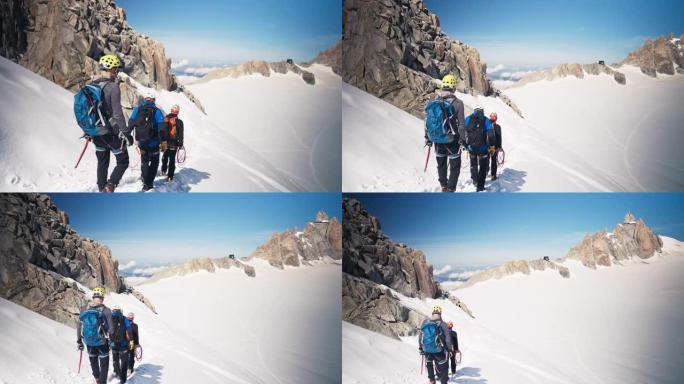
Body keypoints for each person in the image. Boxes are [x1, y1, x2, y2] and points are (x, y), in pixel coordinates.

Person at [90, 54, 133, 192]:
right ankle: (109, 187)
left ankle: (101, 187)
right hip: (111, 133)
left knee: (102, 162)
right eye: (115, 70)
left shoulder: (91, 86)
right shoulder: (113, 87)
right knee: (123, 161)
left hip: (96, 132)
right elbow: (117, 114)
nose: (116, 73)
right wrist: (126, 132)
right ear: (110, 69)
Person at [424, 74, 466, 192]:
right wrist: (463, 140)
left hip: (437, 138)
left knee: (441, 164)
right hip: (452, 139)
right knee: (455, 166)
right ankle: (451, 189)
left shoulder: (434, 101)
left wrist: (428, 138)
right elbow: (462, 125)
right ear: (453, 87)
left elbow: (427, 121)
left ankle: (443, 186)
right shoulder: (458, 103)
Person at [129, 91, 166, 191]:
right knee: (154, 163)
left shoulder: (137, 109)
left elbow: (131, 122)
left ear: (145, 99)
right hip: (153, 142)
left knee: (144, 161)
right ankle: (148, 184)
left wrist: (128, 135)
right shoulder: (157, 111)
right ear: (153, 100)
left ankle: (144, 178)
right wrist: (163, 142)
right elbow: (162, 127)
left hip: (142, 142)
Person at [77, 287, 114, 384]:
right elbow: (111, 329)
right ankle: (102, 382)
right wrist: (111, 342)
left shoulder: (84, 308)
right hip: (102, 342)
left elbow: (79, 325)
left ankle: (97, 379)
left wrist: (79, 341)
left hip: (89, 341)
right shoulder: (106, 310)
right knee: (104, 364)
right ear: (102, 297)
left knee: (93, 360)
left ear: (93, 296)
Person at [464, 105, 496, 192]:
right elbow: (491, 135)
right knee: (482, 167)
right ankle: (480, 186)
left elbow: (463, 131)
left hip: (471, 148)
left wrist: (465, 145)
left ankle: (475, 180)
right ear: (482, 110)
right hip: (483, 148)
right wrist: (492, 147)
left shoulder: (468, 118)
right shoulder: (486, 120)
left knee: (473, 164)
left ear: (474, 110)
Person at [419, 305, 453, 384]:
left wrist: (421, 348)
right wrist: (449, 349)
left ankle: (432, 380)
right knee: (444, 367)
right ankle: (443, 382)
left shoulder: (425, 322)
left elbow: (421, 336)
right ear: (440, 313)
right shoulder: (443, 324)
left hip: (427, 349)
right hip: (439, 350)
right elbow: (448, 338)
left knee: (429, 363)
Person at [110, 305, 134, 383]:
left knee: (115, 359)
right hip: (123, 344)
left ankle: (117, 372)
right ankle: (123, 379)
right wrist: (131, 341)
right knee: (124, 361)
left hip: (113, 344)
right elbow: (129, 330)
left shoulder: (110, 317)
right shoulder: (124, 319)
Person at [160, 104, 184, 182]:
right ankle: (170, 176)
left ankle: (163, 170)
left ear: (171, 110)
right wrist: (180, 144)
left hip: (164, 141)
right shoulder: (180, 122)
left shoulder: (165, 119)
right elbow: (180, 133)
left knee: (164, 156)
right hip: (174, 142)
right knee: (172, 160)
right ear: (178, 112)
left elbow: (161, 130)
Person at [489, 112, 502, 180]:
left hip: (493, 147)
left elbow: (499, 137)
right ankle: (486, 172)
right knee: (486, 160)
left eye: (493, 117)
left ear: (496, 118)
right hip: (488, 146)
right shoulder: (487, 125)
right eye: (491, 117)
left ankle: (493, 174)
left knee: (493, 161)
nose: (492, 118)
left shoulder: (498, 127)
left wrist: (499, 147)